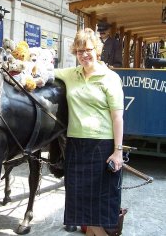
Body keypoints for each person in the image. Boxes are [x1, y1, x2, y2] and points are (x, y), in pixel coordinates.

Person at [54, 28, 124, 236]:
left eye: (88, 49)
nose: (84, 55)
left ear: (97, 50)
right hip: (76, 146)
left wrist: (118, 151)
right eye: (79, 51)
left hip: (102, 146)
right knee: (81, 202)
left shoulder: (110, 78)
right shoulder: (71, 74)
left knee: (99, 204)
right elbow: (44, 72)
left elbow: (117, 117)